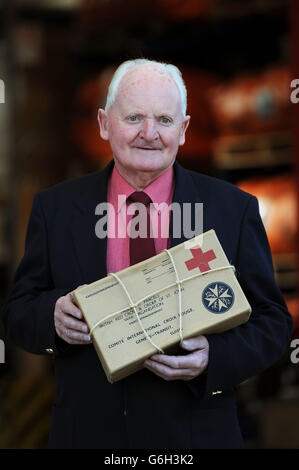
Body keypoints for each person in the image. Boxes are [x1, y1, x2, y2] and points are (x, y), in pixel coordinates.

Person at [2, 59, 293, 449]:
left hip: (195, 437)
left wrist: (213, 358)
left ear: (184, 129)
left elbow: (272, 322)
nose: (149, 134)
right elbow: (17, 312)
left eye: (164, 121)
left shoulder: (231, 210)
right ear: (104, 124)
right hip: (89, 435)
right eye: (134, 117)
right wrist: (51, 317)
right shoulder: (56, 210)